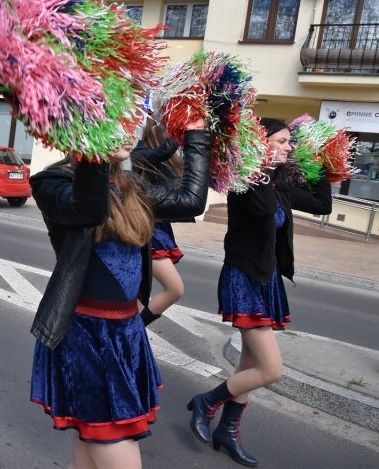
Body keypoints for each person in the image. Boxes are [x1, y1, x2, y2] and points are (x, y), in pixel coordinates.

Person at [29, 122, 210, 469]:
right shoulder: (52, 182)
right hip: (86, 337)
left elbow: (191, 200)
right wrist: (94, 151)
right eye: (116, 118)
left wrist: (197, 132)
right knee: (111, 443)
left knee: (89, 453)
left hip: (126, 334)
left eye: (131, 122)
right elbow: (89, 209)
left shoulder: (130, 185)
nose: (129, 130)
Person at [187, 118, 332, 467]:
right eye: (281, 141)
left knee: (249, 362)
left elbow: (322, 204)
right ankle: (207, 402)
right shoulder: (245, 181)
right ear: (260, 143)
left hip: (267, 280)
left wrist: (323, 164)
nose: (288, 147)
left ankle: (228, 430)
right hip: (244, 278)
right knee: (271, 369)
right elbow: (264, 208)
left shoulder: (276, 183)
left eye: (289, 142)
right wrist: (259, 163)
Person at [130, 118, 187, 325]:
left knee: (137, 295)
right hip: (148, 230)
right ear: (155, 128)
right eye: (169, 128)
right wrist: (182, 131)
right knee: (174, 288)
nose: (171, 133)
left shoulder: (169, 158)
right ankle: (134, 331)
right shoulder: (140, 152)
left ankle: (131, 333)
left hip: (160, 228)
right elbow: (159, 153)